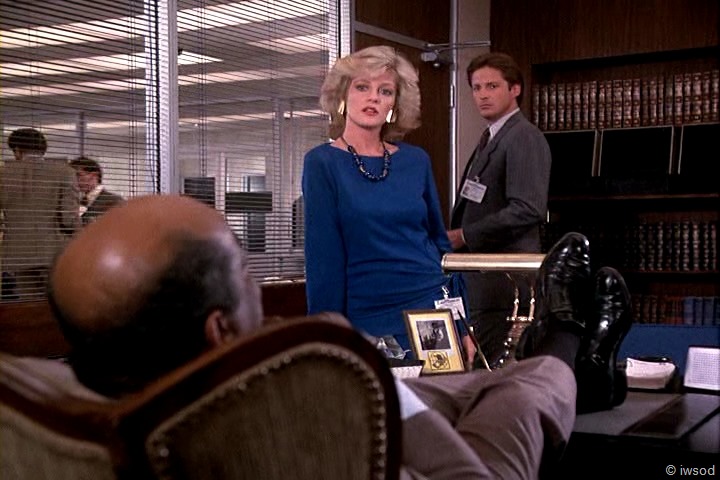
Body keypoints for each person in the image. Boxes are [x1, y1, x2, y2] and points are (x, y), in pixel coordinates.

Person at [48, 194, 632, 479]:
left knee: (477, 384)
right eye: (246, 271)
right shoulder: (280, 426)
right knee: (522, 392)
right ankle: (566, 343)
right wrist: (351, 365)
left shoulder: (75, 407)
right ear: (219, 330)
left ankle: (568, 371)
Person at [302, 45, 475, 360]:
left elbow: (439, 244)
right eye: (362, 87)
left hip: (430, 305)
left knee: (442, 390)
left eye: (385, 91)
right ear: (343, 95)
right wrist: (325, 336)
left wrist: (463, 325)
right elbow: (323, 261)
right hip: (368, 315)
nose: (373, 98)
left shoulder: (416, 160)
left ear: (395, 103)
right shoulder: (322, 163)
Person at [447, 52, 552, 367]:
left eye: (492, 86)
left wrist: (464, 235)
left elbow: (528, 208)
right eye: (477, 88)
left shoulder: (524, 136)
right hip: (484, 284)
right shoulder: (492, 137)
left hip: (505, 286)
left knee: (492, 375)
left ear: (515, 89)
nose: (482, 95)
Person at [0, 128, 80, 299]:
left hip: (17, 253)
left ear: (17, 150)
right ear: (43, 149)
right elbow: (68, 219)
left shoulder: (3, 174)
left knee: (30, 305)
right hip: (53, 251)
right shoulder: (65, 172)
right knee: (58, 303)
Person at [69, 156, 125, 225]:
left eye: (78, 175)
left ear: (94, 175)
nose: (74, 180)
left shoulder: (114, 202)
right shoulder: (79, 202)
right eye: (72, 176)